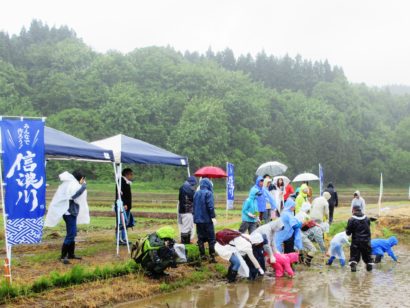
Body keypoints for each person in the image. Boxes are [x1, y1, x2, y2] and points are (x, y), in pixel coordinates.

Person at [45, 170, 89, 264]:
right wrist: (83, 187)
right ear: (80, 178)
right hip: (69, 213)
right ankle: (63, 256)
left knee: (72, 234)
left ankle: (71, 254)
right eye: (83, 179)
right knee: (71, 234)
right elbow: (73, 196)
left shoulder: (72, 184)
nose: (84, 181)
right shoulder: (73, 185)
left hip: (71, 213)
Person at [193, 178, 217, 263]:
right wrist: (213, 216)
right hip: (207, 220)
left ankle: (202, 255)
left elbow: (194, 206)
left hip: (198, 220)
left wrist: (195, 217)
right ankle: (212, 257)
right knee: (211, 238)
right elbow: (210, 206)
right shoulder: (209, 193)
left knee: (200, 238)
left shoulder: (196, 193)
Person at [346, 204, 372, 272]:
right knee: (367, 257)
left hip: (356, 241)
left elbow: (348, 232)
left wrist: (347, 231)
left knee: (354, 257)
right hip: (366, 241)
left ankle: (353, 266)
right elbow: (368, 228)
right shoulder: (367, 218)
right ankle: (369, 275)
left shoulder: (351, 219)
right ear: (360, 210)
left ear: (353, 210)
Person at [115, 168, 135, 245]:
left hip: (127, 206)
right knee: (120, 223)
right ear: (127, 174)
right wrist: (124, 204)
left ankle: (124, 238)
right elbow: (119, 194)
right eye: (131, 174)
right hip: (122, 206)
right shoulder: (121, 181)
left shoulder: (126, 182)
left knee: (125, 223)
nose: (132, 176)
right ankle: (119, 239)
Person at [178, 176, 197, 244]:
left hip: (183, 210)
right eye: (194, 184)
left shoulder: (182, 187)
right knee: (186, 228)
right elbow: (193, 197)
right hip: (187, 211)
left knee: (187, 227)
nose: (194, 185)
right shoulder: (188, 188)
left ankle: (187, 242)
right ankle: (184, 243)